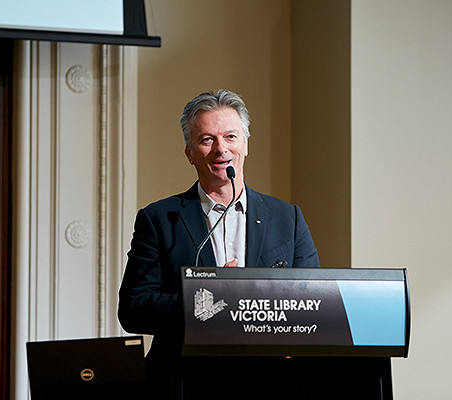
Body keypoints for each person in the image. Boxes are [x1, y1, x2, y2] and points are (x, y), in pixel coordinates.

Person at [118, 89, 319, 397]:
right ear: (189, 152)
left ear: (246, 144)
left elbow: (312, 303)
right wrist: (204, 298)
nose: (221, 149)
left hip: (270, 382)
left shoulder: (287, 218)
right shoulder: (159, 218)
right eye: (207, 139)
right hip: (183, 382)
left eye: (230, 137)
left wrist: (247, 300)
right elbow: (133, 308)